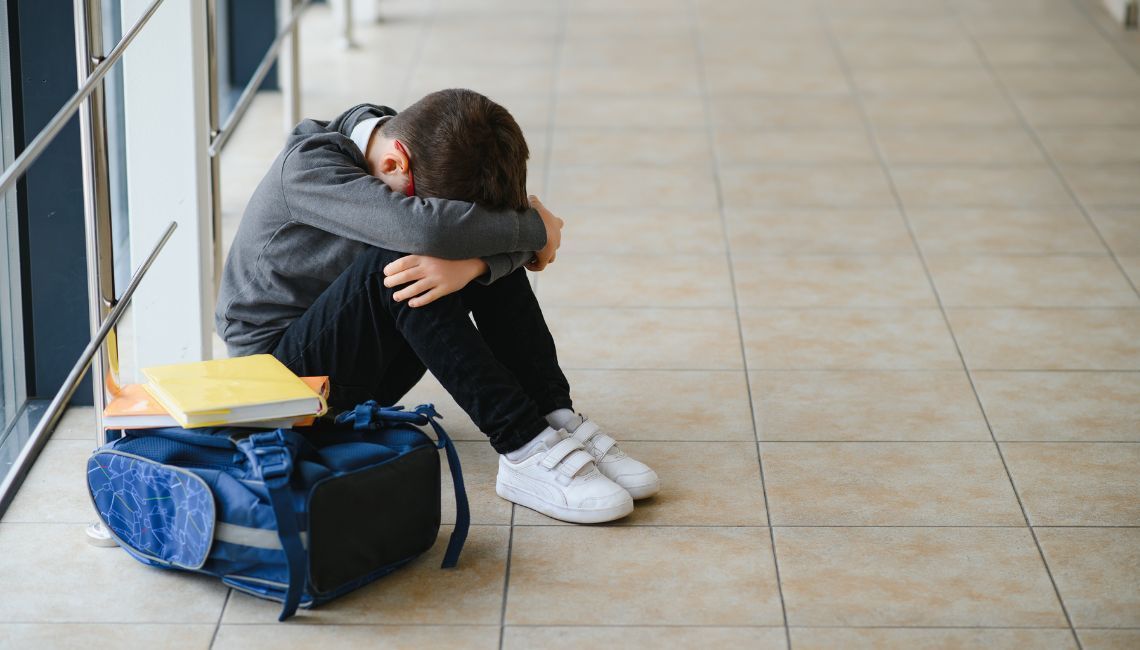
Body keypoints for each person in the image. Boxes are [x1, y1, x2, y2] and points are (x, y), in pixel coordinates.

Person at [215, 89, 658, 524]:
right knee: (401, 264)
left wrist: (478, 264)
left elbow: (451, 231)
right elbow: (428, 231)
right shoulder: (310, 169)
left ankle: (552, 415)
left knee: (464, 248)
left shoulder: (404, 141)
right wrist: (533, 228)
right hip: (279, 387)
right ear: (395, 163)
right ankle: (522, 447)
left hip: (359, 368)